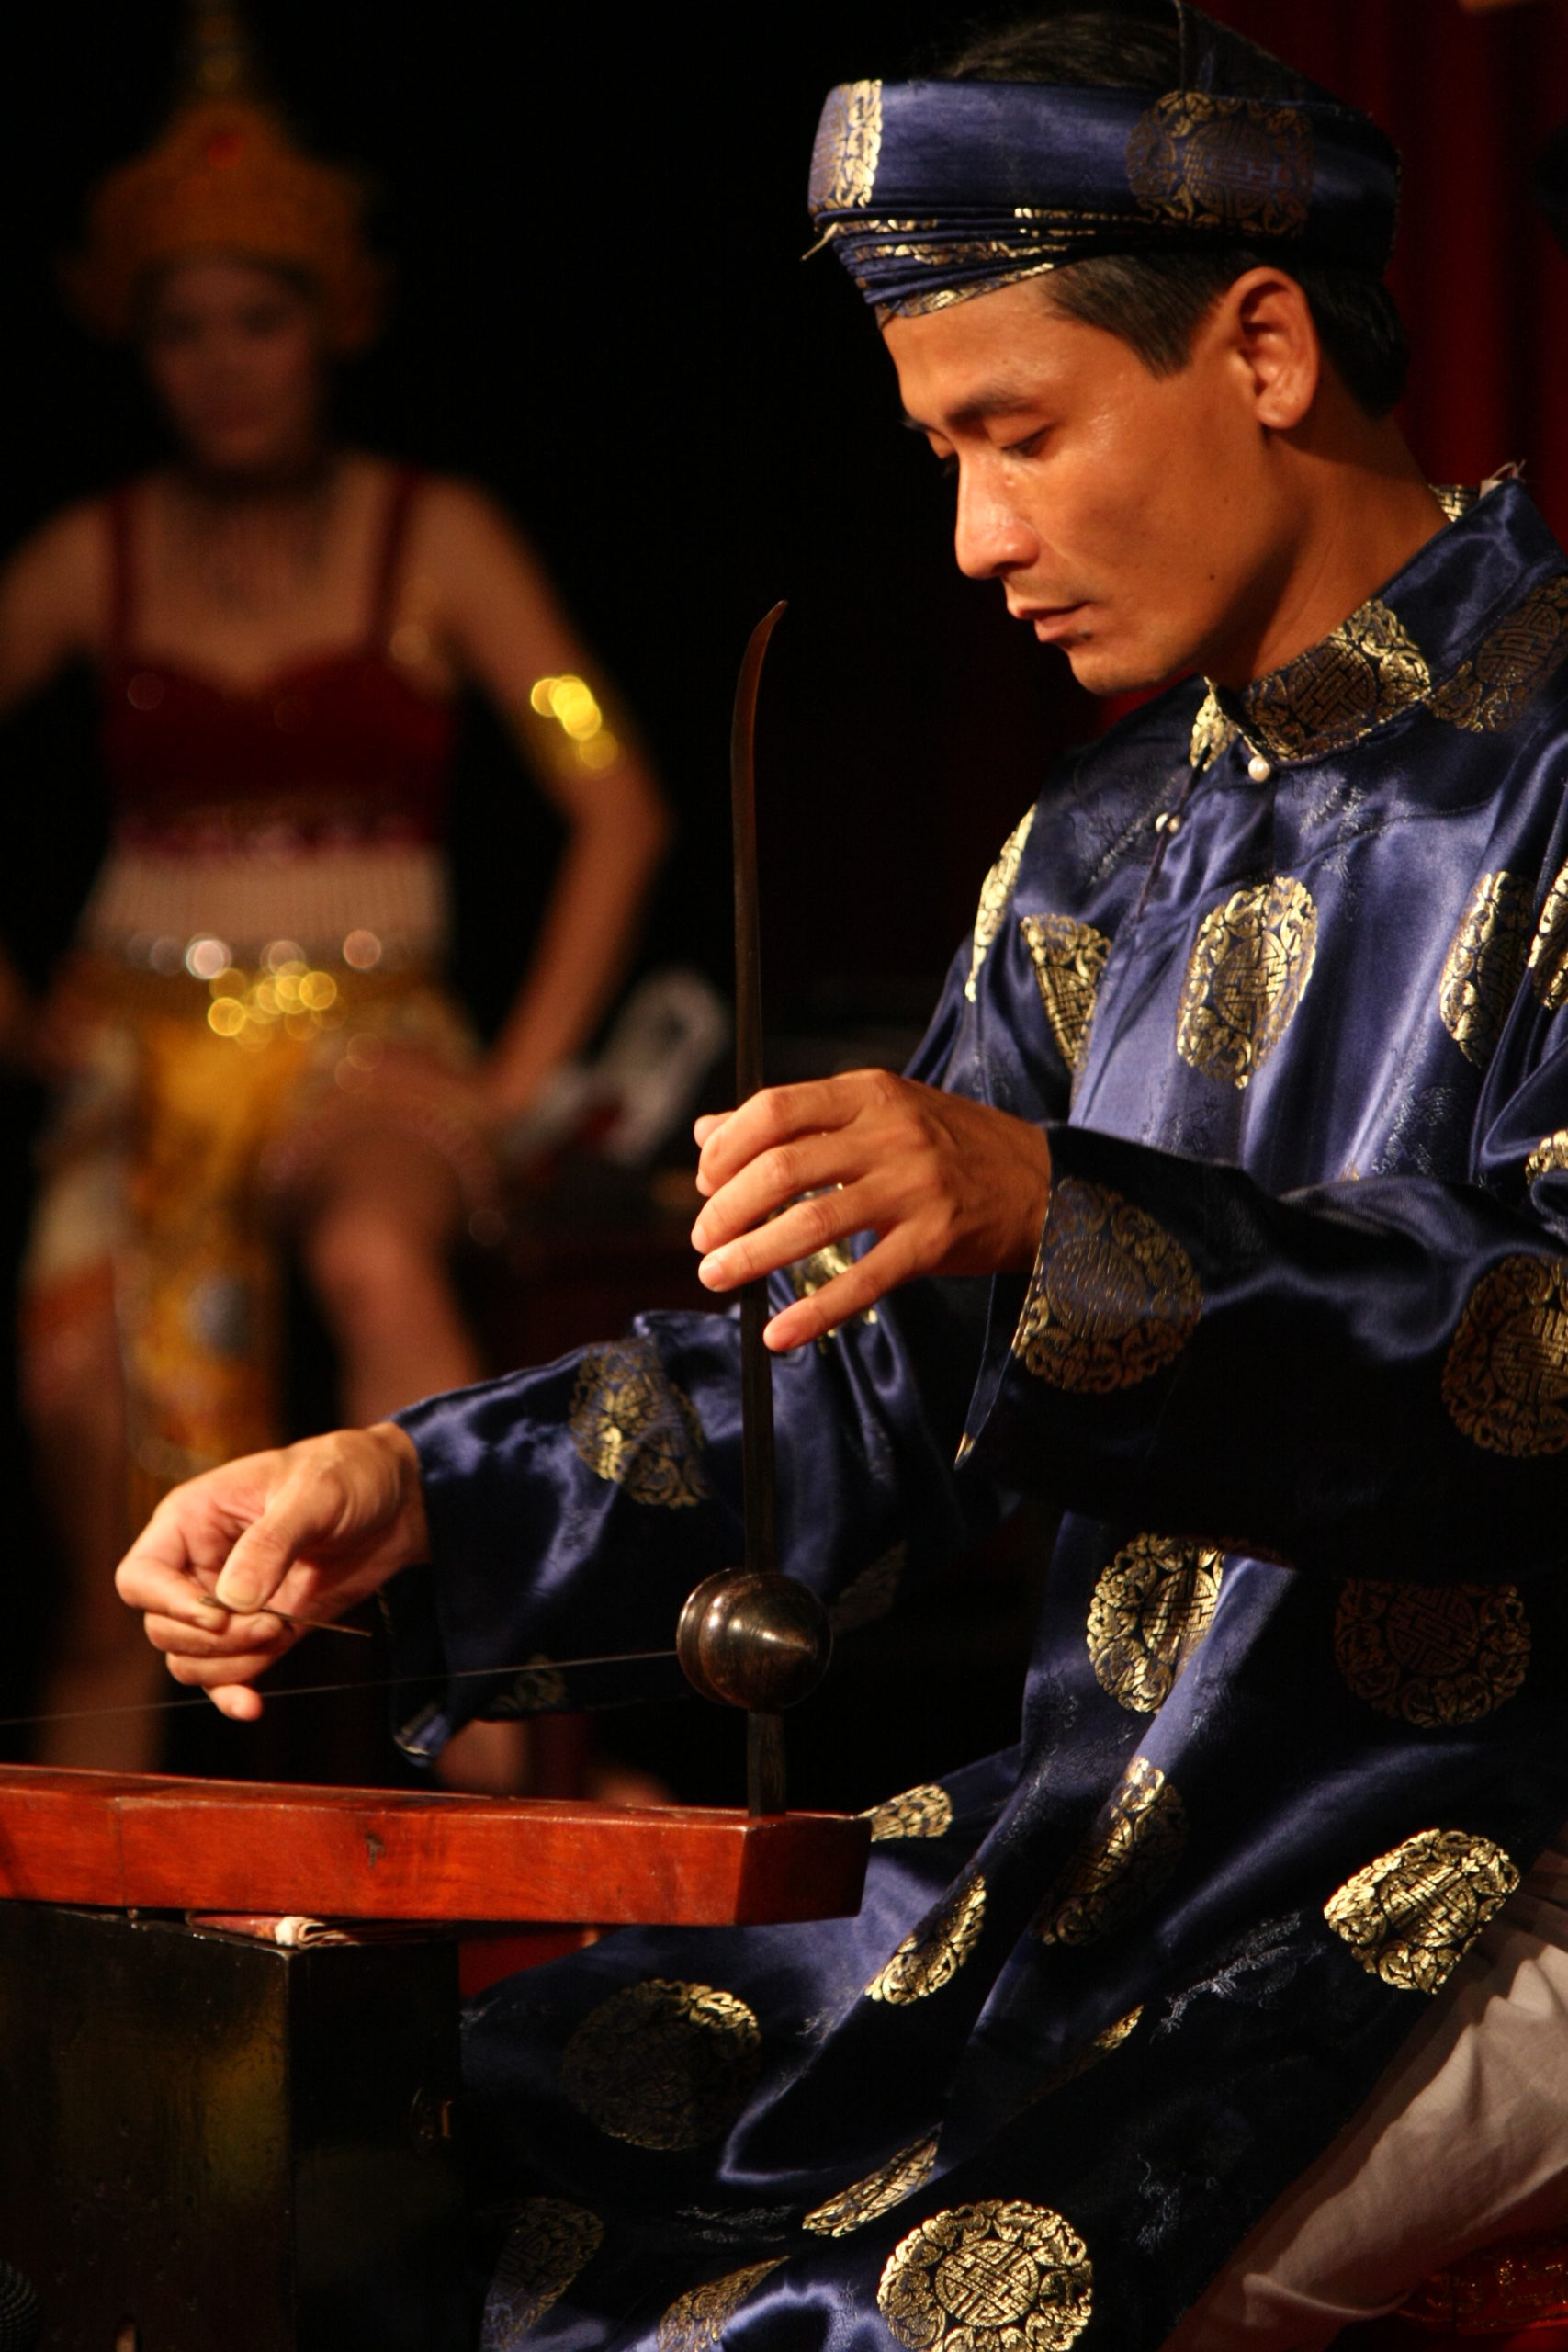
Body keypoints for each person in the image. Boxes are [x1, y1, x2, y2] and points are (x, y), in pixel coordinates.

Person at [114, 3, 1568, 2343]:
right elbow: (865, 1375)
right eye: (940, 452)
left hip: (1472, 1851)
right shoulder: (1096, 843)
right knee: (357, 2155)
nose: (974, 537)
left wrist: (1050, 1214)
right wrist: (417, 1490)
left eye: (1018, 432)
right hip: (1109, 1848)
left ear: (1262, 347)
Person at [0, 51, 669, 1774]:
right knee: (90, 1448)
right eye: (183, 330)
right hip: (136, 1059)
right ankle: (78, 1917)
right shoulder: (93, 556)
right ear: (137, 346)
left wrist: (514, 1083)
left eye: (262, 320)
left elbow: (610, 790)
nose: (225, 365)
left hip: (367, 1045)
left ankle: (508, 1752)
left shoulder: (434, 543)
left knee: (377, 1254)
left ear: (331, 325)